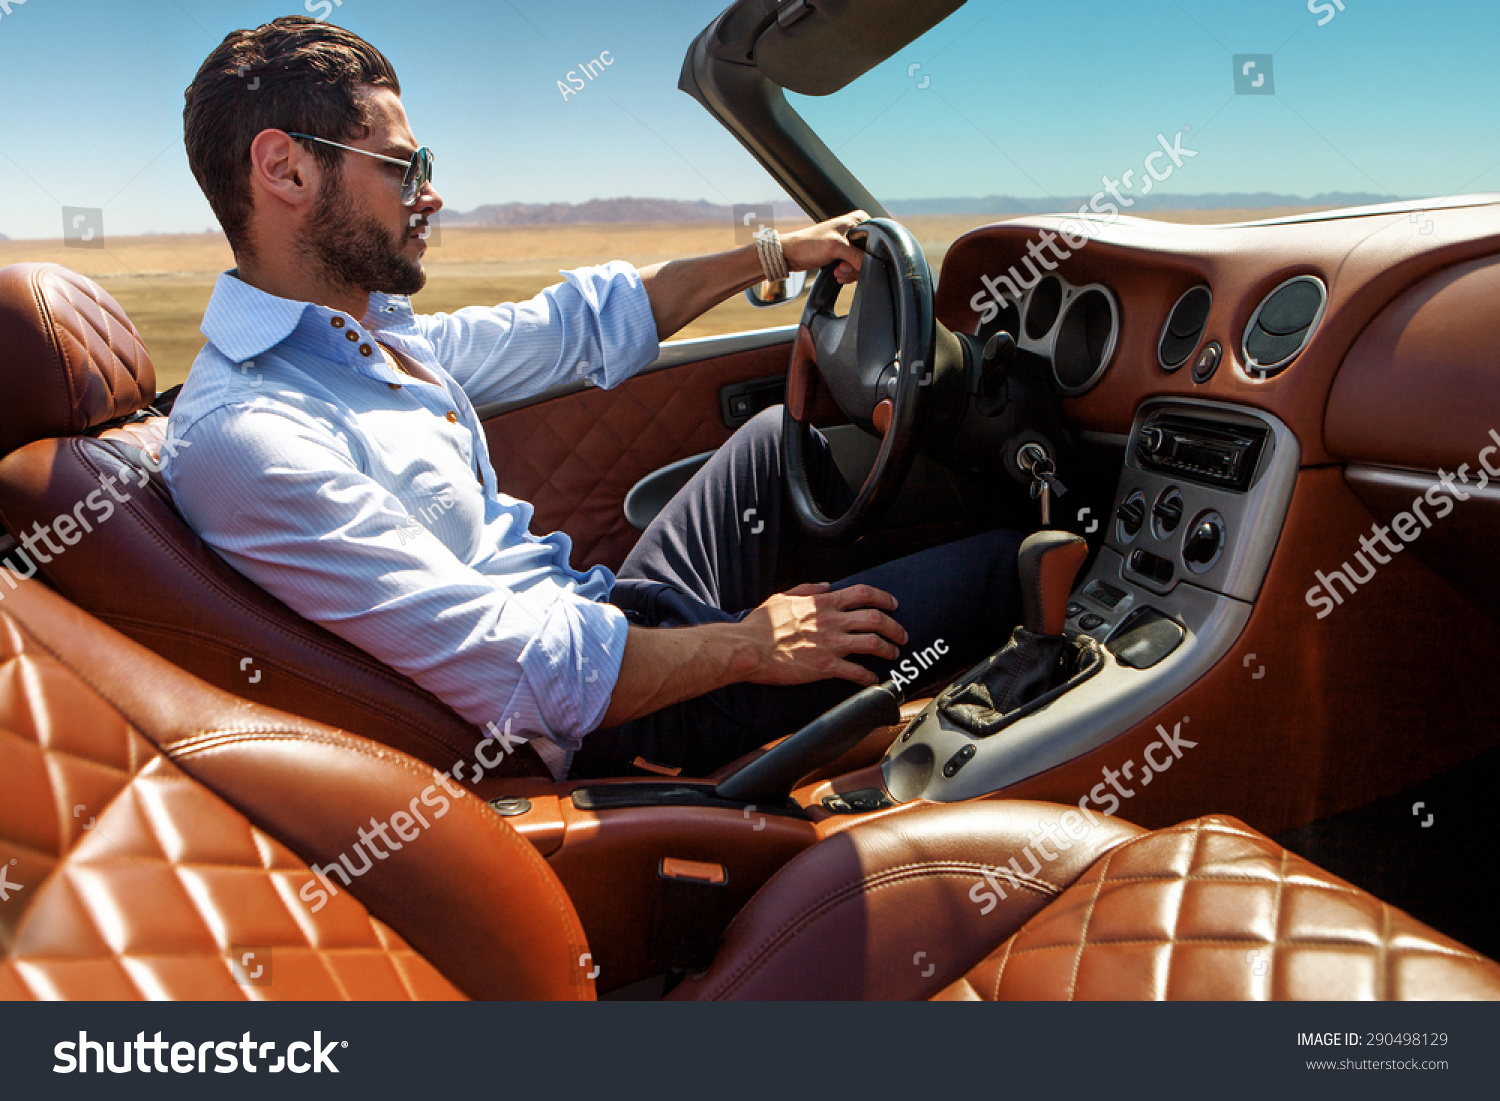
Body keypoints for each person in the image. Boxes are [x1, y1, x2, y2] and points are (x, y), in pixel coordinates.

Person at [166, 16, 1021, 781]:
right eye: (403, 165)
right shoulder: (251, 434)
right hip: (613, 725)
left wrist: (778, 254)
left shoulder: (369, 338)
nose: (430, 191)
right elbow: (532, 672)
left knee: (771, 438)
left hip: (602, 611)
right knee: (1013, 564)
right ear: (285, 170)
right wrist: (753, 645)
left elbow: (578, 323)